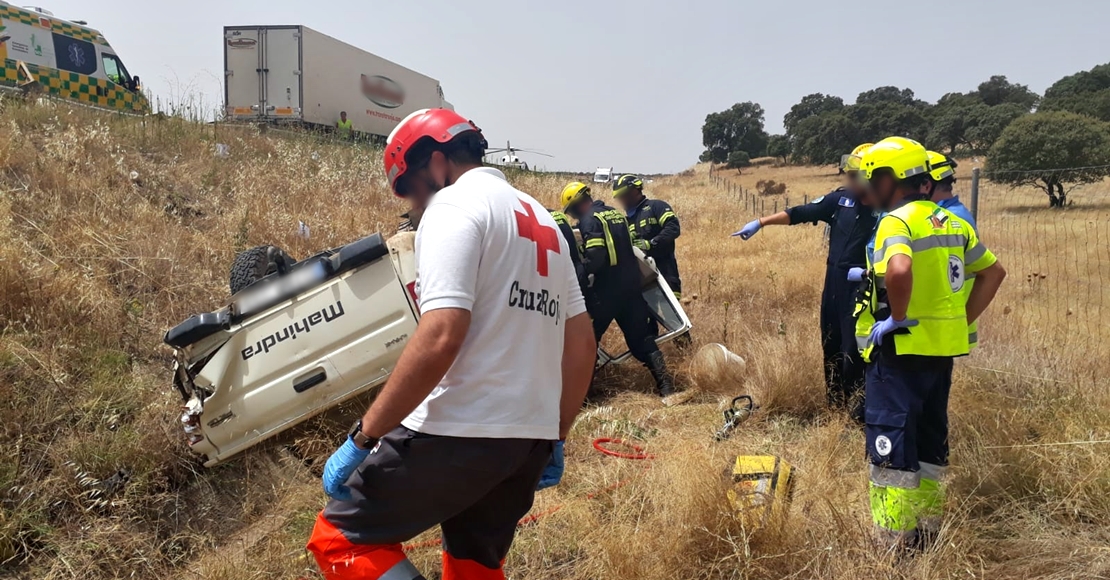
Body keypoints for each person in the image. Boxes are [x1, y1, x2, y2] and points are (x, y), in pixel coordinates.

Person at [307, 108, 597, 580]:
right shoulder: (543, 220)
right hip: (527, 441)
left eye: (408, 184)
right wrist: (554, 434)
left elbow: (441, 334)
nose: (413, 202)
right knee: (473, 566)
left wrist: (364, 437)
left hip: (460, 431)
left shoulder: (454, 206)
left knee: (339, 541)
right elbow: (581, 343)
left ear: (437, 161)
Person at [857, 136, 1006, 551]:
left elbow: (899, 269)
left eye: (872, 180)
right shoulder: (953, 222)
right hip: (941, 353)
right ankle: (928, 534)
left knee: (891, 445)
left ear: (891, 179)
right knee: (929, 440)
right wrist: (958, 320)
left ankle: (892, 545)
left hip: (901, 353)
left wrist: (896, 318)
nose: (868, 190)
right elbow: (993, 273)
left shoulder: (897, 222)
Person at [732, 143, 878, 421]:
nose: (849, 180)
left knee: (854, 354)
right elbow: (800, 213)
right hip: (833, 287)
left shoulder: (886, 211)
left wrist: (865, 274)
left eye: (854, 176)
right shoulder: (841, 201)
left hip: (861, 290)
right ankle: (835, 408)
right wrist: (761, 222)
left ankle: (858, 416)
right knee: (831, 346)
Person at [561, 181, 676, 398]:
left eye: (572, 212)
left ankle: (582, 395)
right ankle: (666, 387)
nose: (574, 217)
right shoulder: (614, 213)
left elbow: (596, 257)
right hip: (631, 288)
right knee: (641, 340)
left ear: (577, 205)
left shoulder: (589, 220)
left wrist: (579, 271)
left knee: (587, 342)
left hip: (605, 292)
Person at [613, 175, 683, 298]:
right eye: (619, 198)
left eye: (622, 196)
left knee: (671, 316)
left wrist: (651, 243)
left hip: (666, 273)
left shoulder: (656, 206)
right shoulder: (626, 221)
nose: (621, 200)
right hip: (644, 281)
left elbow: (673, 228)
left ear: (634, 191)